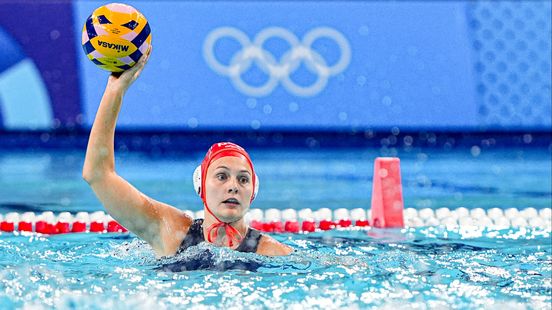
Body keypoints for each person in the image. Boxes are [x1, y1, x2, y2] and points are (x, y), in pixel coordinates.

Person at [82, 47, 292, 258]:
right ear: (200, 185)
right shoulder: (171, 231)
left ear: (253, 191)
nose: (233, 187)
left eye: (243, 180)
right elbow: (97, 174)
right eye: (221, 176)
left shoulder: (272, 252)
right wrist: (115, 90)